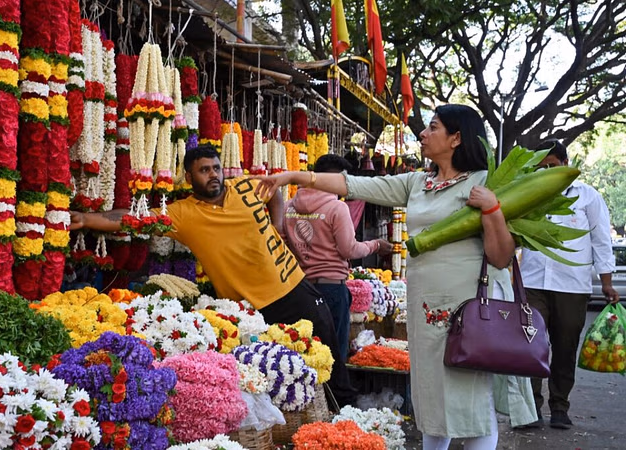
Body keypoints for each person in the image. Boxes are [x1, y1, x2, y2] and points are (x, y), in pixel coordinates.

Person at [254, 104, 538, 450]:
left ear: (456, 138)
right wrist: (293, 177)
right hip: (425, 309)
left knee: (471, 400)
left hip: (469, 310)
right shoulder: (418, 183)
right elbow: (352, 184)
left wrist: (492, 208)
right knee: (431, 395)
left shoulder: (484, 182)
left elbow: (500, 256)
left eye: (432, 127)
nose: (423, 133)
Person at [70, 145, 358, 407]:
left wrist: (278, 224)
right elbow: (133, 217)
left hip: (295, 289)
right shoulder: (183, 214)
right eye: (204, 170)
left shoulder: (245, 186)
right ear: (188, 177)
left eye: (216, 168)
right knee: (276, 382)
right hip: (252, 312)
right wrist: (85, 220)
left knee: (330, 366)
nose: (213, 175)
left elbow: (276, 192)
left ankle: (346, 421)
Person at [520, 139, 620, 430]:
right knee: (532, 346)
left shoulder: (587, 196)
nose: (546, 172)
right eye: (540, 168)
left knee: (565, 349)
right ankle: (531, 410)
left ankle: (560, 407)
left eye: (551, 166)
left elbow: (601, 241)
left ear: (565, 164)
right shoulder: (529, 196)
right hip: (533, 282)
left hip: (572, 286)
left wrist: (607, 283)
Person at [281, 154, 392, 360]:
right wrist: (375, 245)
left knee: (304, 352)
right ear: (335, 179)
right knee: (333, 356)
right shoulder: (337, 207)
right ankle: (336, 392)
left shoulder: (288, 207)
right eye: (344, 181)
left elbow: (282, 245)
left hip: (300, 289)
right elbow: (348, 249)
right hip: (331, 288)